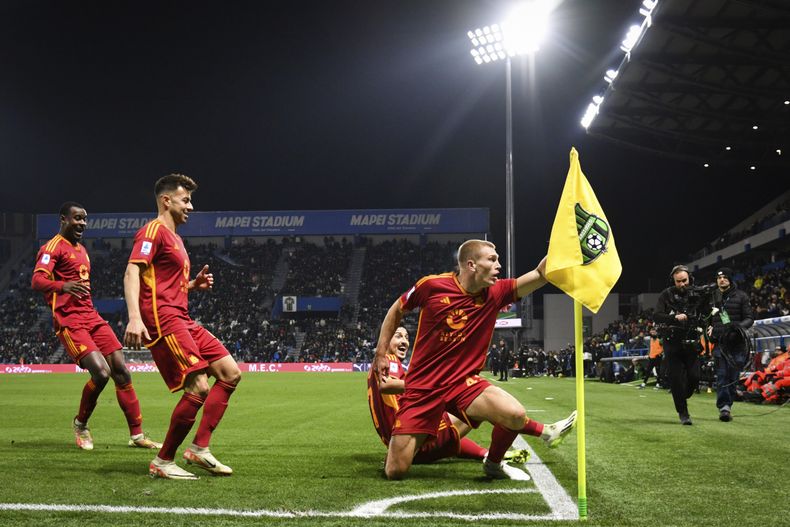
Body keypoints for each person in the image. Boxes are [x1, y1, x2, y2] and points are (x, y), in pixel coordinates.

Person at [374, 239, 577, 480]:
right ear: (471, 265)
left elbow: (539, 275)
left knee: (513, 414)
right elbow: (396, 309)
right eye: (492, 260)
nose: (499, 265)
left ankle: (493, 463)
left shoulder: (496, 292)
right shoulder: (432, 286)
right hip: (422, 388)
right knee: (395, 471)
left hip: (462, 384)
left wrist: (562, 252)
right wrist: (380, 352)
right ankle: (423, 439)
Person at [124, 174, 241, 480]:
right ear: (166, 200)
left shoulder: (175, 238)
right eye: (185, 199)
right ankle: (163, 461)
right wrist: (135, 317)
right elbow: (132, 272)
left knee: (230, 373)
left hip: (183, 316)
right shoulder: (153, 231)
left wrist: (191, 285)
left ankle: (199, 449)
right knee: (199, 386)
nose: (191, 205)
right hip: (164, 319)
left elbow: (163, 283)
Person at [31, 202, 161, 451]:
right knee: (101, 373)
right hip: (70, 321)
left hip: (92, 317)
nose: (82, 223)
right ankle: (80, 424)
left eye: (85, 219)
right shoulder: (51, 248)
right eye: (77, 218)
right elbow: (37, 279)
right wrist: (63, 286)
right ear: (63, 219)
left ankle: (137, 436)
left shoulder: (81, 249)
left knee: (121, 370)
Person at [368, 326, 529, 466]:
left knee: (453, 420)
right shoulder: (390, 360)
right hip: (410, 440)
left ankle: (485, 454)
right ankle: (533, 430)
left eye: (406, 337)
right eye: (398, 336)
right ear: (384, 341)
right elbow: (388, 384)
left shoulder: (377, 367)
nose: (404, 341)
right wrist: (431, 385)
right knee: (474, 396)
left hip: (402, 446)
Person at [654, 265, 703, 425]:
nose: (682, 284)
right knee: (675, 379)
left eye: (684, 280)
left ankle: (684, 394)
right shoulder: (665, 295)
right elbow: (657, 315)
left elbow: (709, 311)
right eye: (678, 281)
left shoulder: (698, 293)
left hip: (692, 340)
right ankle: (683, 413)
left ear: (690, 279)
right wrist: (675, 318)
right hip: (672, 342)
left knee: (695, 377)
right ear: (673, 281)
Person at [706, 268, 754, 421]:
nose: (722, 280)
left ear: (730, 279)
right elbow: (707, 317)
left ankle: (728, 405)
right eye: (719, 277)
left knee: (732, 376)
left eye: (725, 277)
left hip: (737, 344)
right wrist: (708, 328)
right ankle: (724, 408)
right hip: (720, 343)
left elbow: (749, 318)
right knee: (722, 376)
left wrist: (737, 328)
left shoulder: (741, 296)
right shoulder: (712, 297)